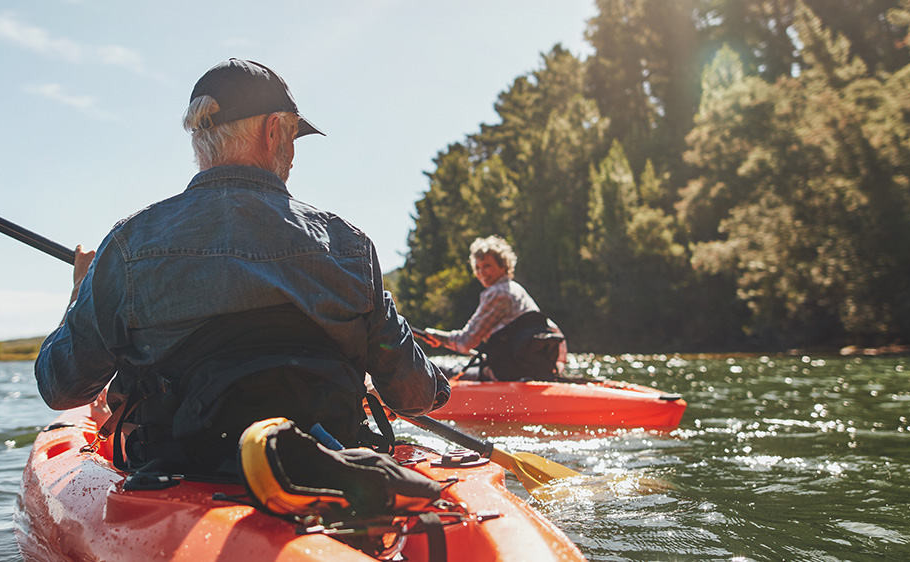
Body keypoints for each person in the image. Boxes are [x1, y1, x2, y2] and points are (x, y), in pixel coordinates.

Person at [34, 58, 450, 477]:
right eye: (292, 137)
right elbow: (412, 394)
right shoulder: (350, 247)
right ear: (272, 132)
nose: (292, 154)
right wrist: (437, 384)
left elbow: (61, 386)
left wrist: (80, 293)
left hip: (181, 474)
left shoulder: (128, 246)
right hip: (329, 469)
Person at [422, 235, 567, 381]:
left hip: (505, 374)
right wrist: (559, 364)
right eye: (477, 268)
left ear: (503, 266)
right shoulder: (516, 290)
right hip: (526, 370)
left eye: (487, 266)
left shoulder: (496, 293)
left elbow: (465, 342)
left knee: (433, 368)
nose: (481, 273)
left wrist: (438, 337)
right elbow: (553, 330)